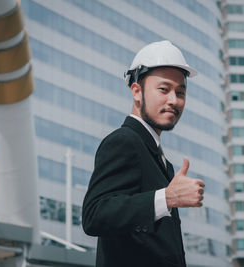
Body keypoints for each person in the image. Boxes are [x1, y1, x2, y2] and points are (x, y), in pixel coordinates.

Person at [82, 40, 205, 267]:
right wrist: (166, 198)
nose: (174, 100)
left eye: (180, 92)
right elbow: (94, 215)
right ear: (136, 92)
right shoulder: (124, 142)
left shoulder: (162, 162)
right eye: (164, 89)